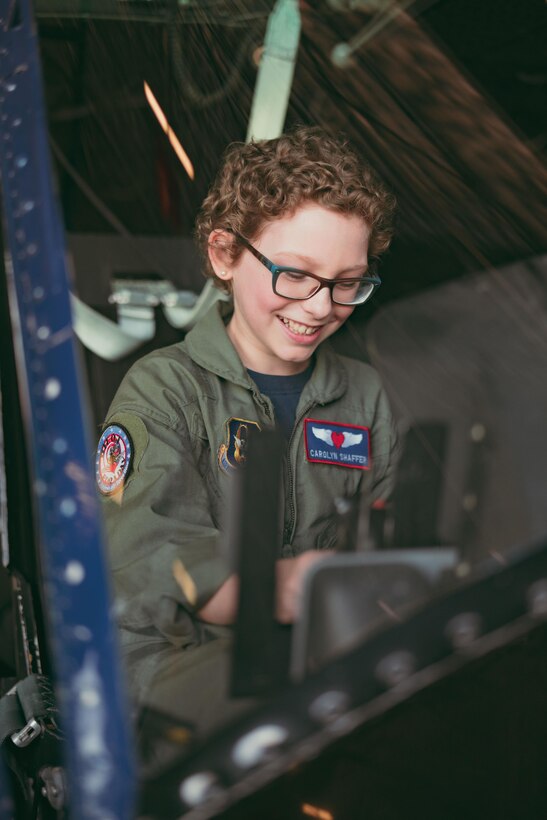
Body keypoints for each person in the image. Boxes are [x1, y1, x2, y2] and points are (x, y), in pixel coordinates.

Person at [96, 126, 399, 749]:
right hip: (170, 686)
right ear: (224, 254)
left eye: (349, 283)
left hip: (317, 669)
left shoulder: (363, 394)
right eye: (295, 275)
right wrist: (297, 586)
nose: (320, 306)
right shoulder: (164, 390)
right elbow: (162, 561)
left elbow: (386, 536)